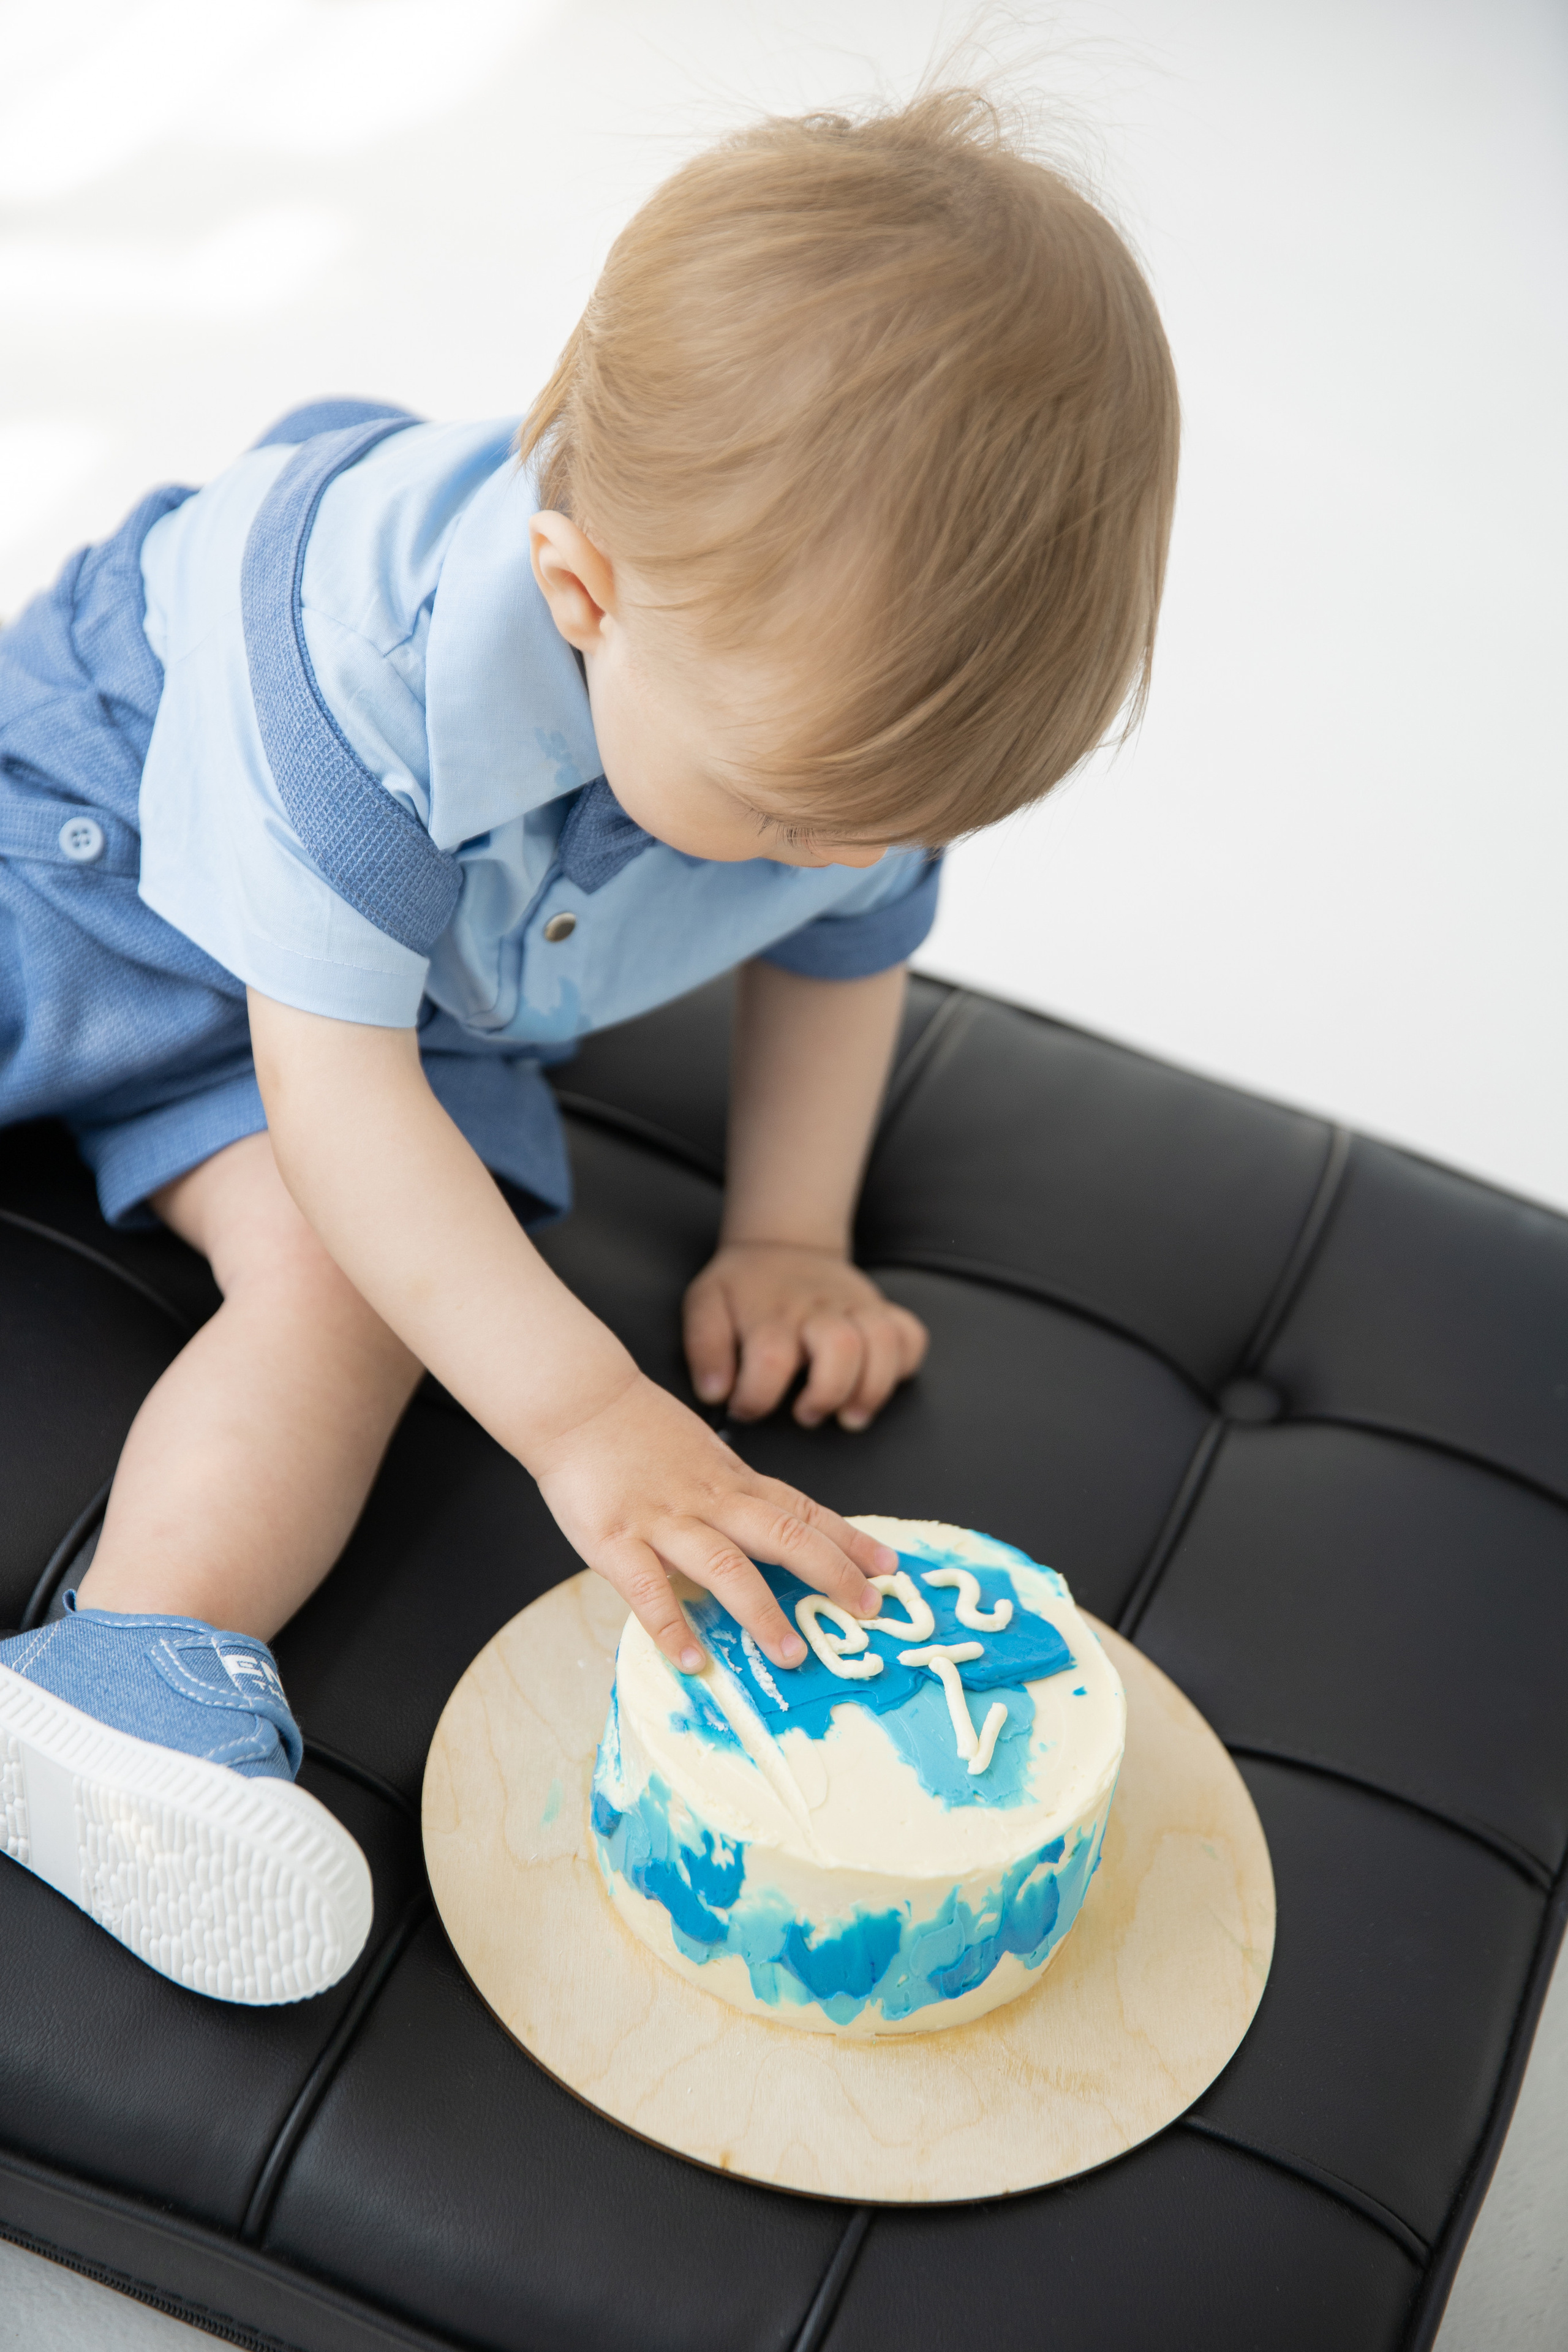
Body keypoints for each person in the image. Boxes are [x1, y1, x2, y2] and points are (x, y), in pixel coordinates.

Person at [0, 90, 1178, 2002]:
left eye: (890, 812)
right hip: (89, 846)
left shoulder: (847, 746)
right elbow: (335, 1088)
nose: (846, 853)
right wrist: (589, 1419)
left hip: (418, 984)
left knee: (360, 1296)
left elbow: (846, 941)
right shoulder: (349, 672)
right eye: (795, 810)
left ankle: (123, 1685)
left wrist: (790, 1230)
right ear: (579, 599)